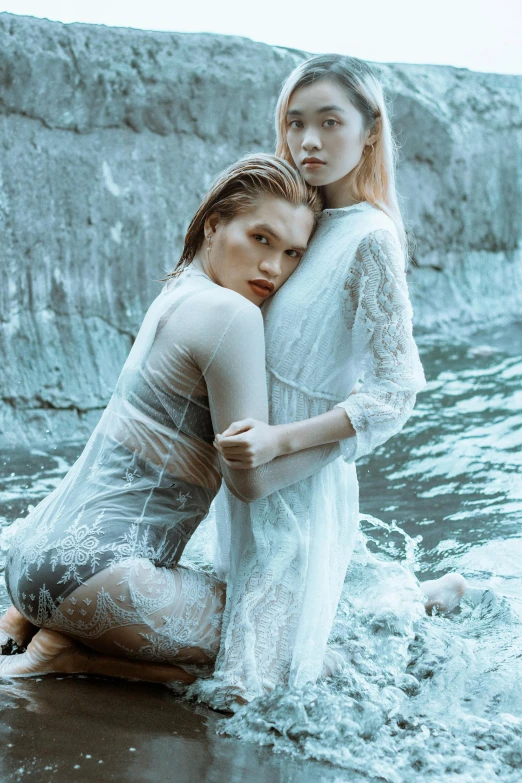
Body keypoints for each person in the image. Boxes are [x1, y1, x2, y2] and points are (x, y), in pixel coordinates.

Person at [0, 154, 346, 682]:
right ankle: (75, 656)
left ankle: (38, 627)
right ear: (214, 225)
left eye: (293, 253)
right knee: (285, 647)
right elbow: (248, 482)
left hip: (28, 562)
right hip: (105, 583)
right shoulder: (234, 315)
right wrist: (347, 431)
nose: (273, 268)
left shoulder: (179, 289)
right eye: (261, 239)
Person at [194, 54, 466, 711]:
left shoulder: (370, 237)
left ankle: (415, 599)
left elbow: (395, 389)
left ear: (369, 132)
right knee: (227, 635)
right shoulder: (301, 222)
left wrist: (281, 439)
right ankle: (406, 592)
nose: (308, 140)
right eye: (295, 124)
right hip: (245, 472)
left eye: (329, 123)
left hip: (294, 473)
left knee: (247, 690)